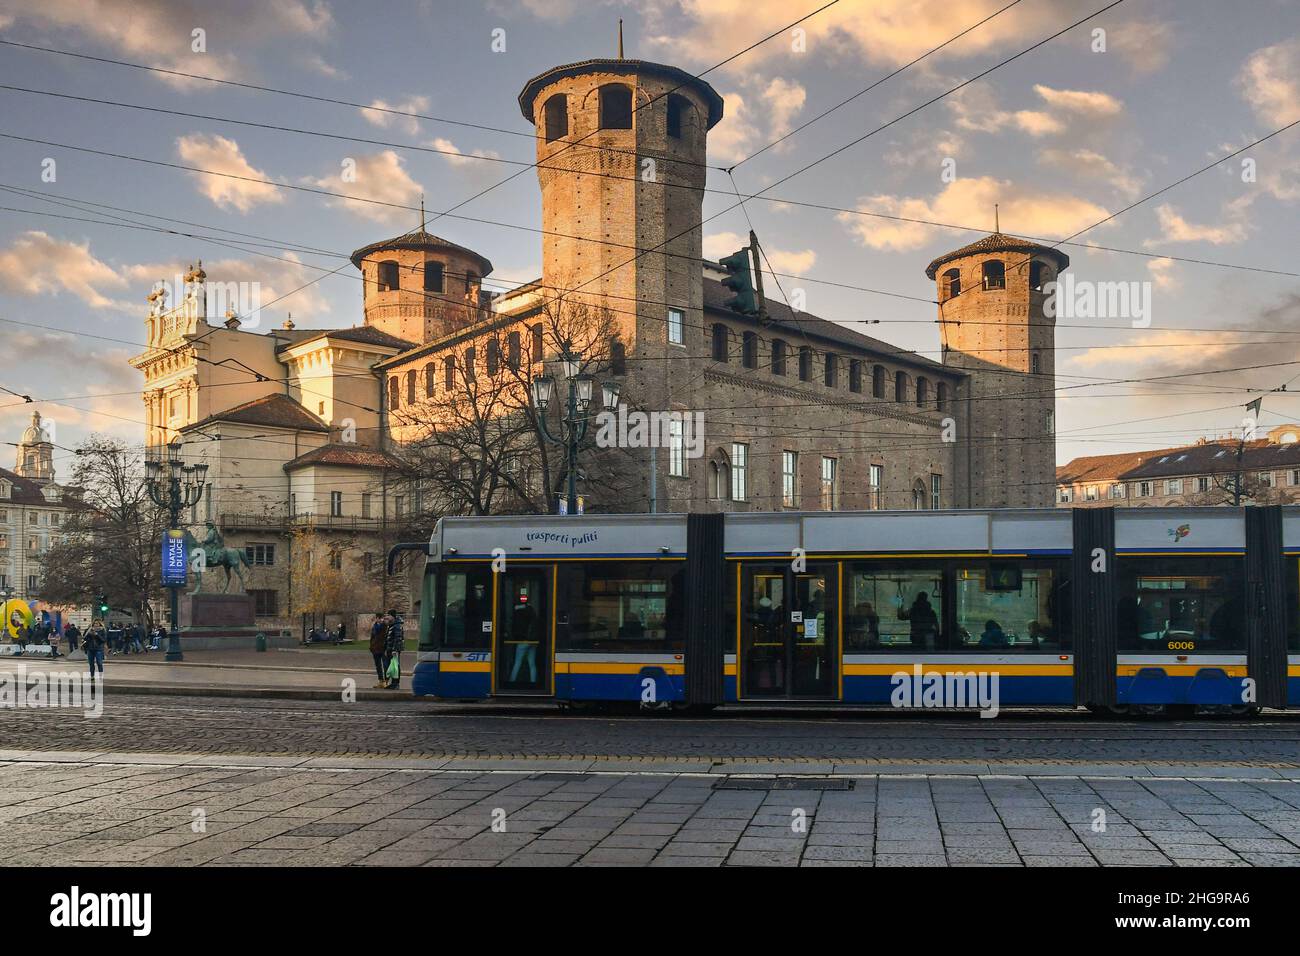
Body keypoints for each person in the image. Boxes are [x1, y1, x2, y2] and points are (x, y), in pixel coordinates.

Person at [384, 609, 404, 689]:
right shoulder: (391, 625)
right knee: (392, 666)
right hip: (390, 649)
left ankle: (396, 683)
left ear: (392, 616)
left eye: (389, 615)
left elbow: (398, 638)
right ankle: (393, 683)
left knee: (395, 666)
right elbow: (388, 638)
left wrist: (395, 649)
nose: (387, 617)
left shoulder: (397, 626)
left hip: (394, 650)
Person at [369, 612, 388, 689]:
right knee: (378, 666)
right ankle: (381, 681)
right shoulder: (374, 626)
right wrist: (371, 646)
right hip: (375, 648)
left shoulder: (385, 626)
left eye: (380, 618)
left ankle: (385, 681)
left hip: (383, 648)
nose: (379, 620)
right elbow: (372, 637)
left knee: (385, 665)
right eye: (378, 618)